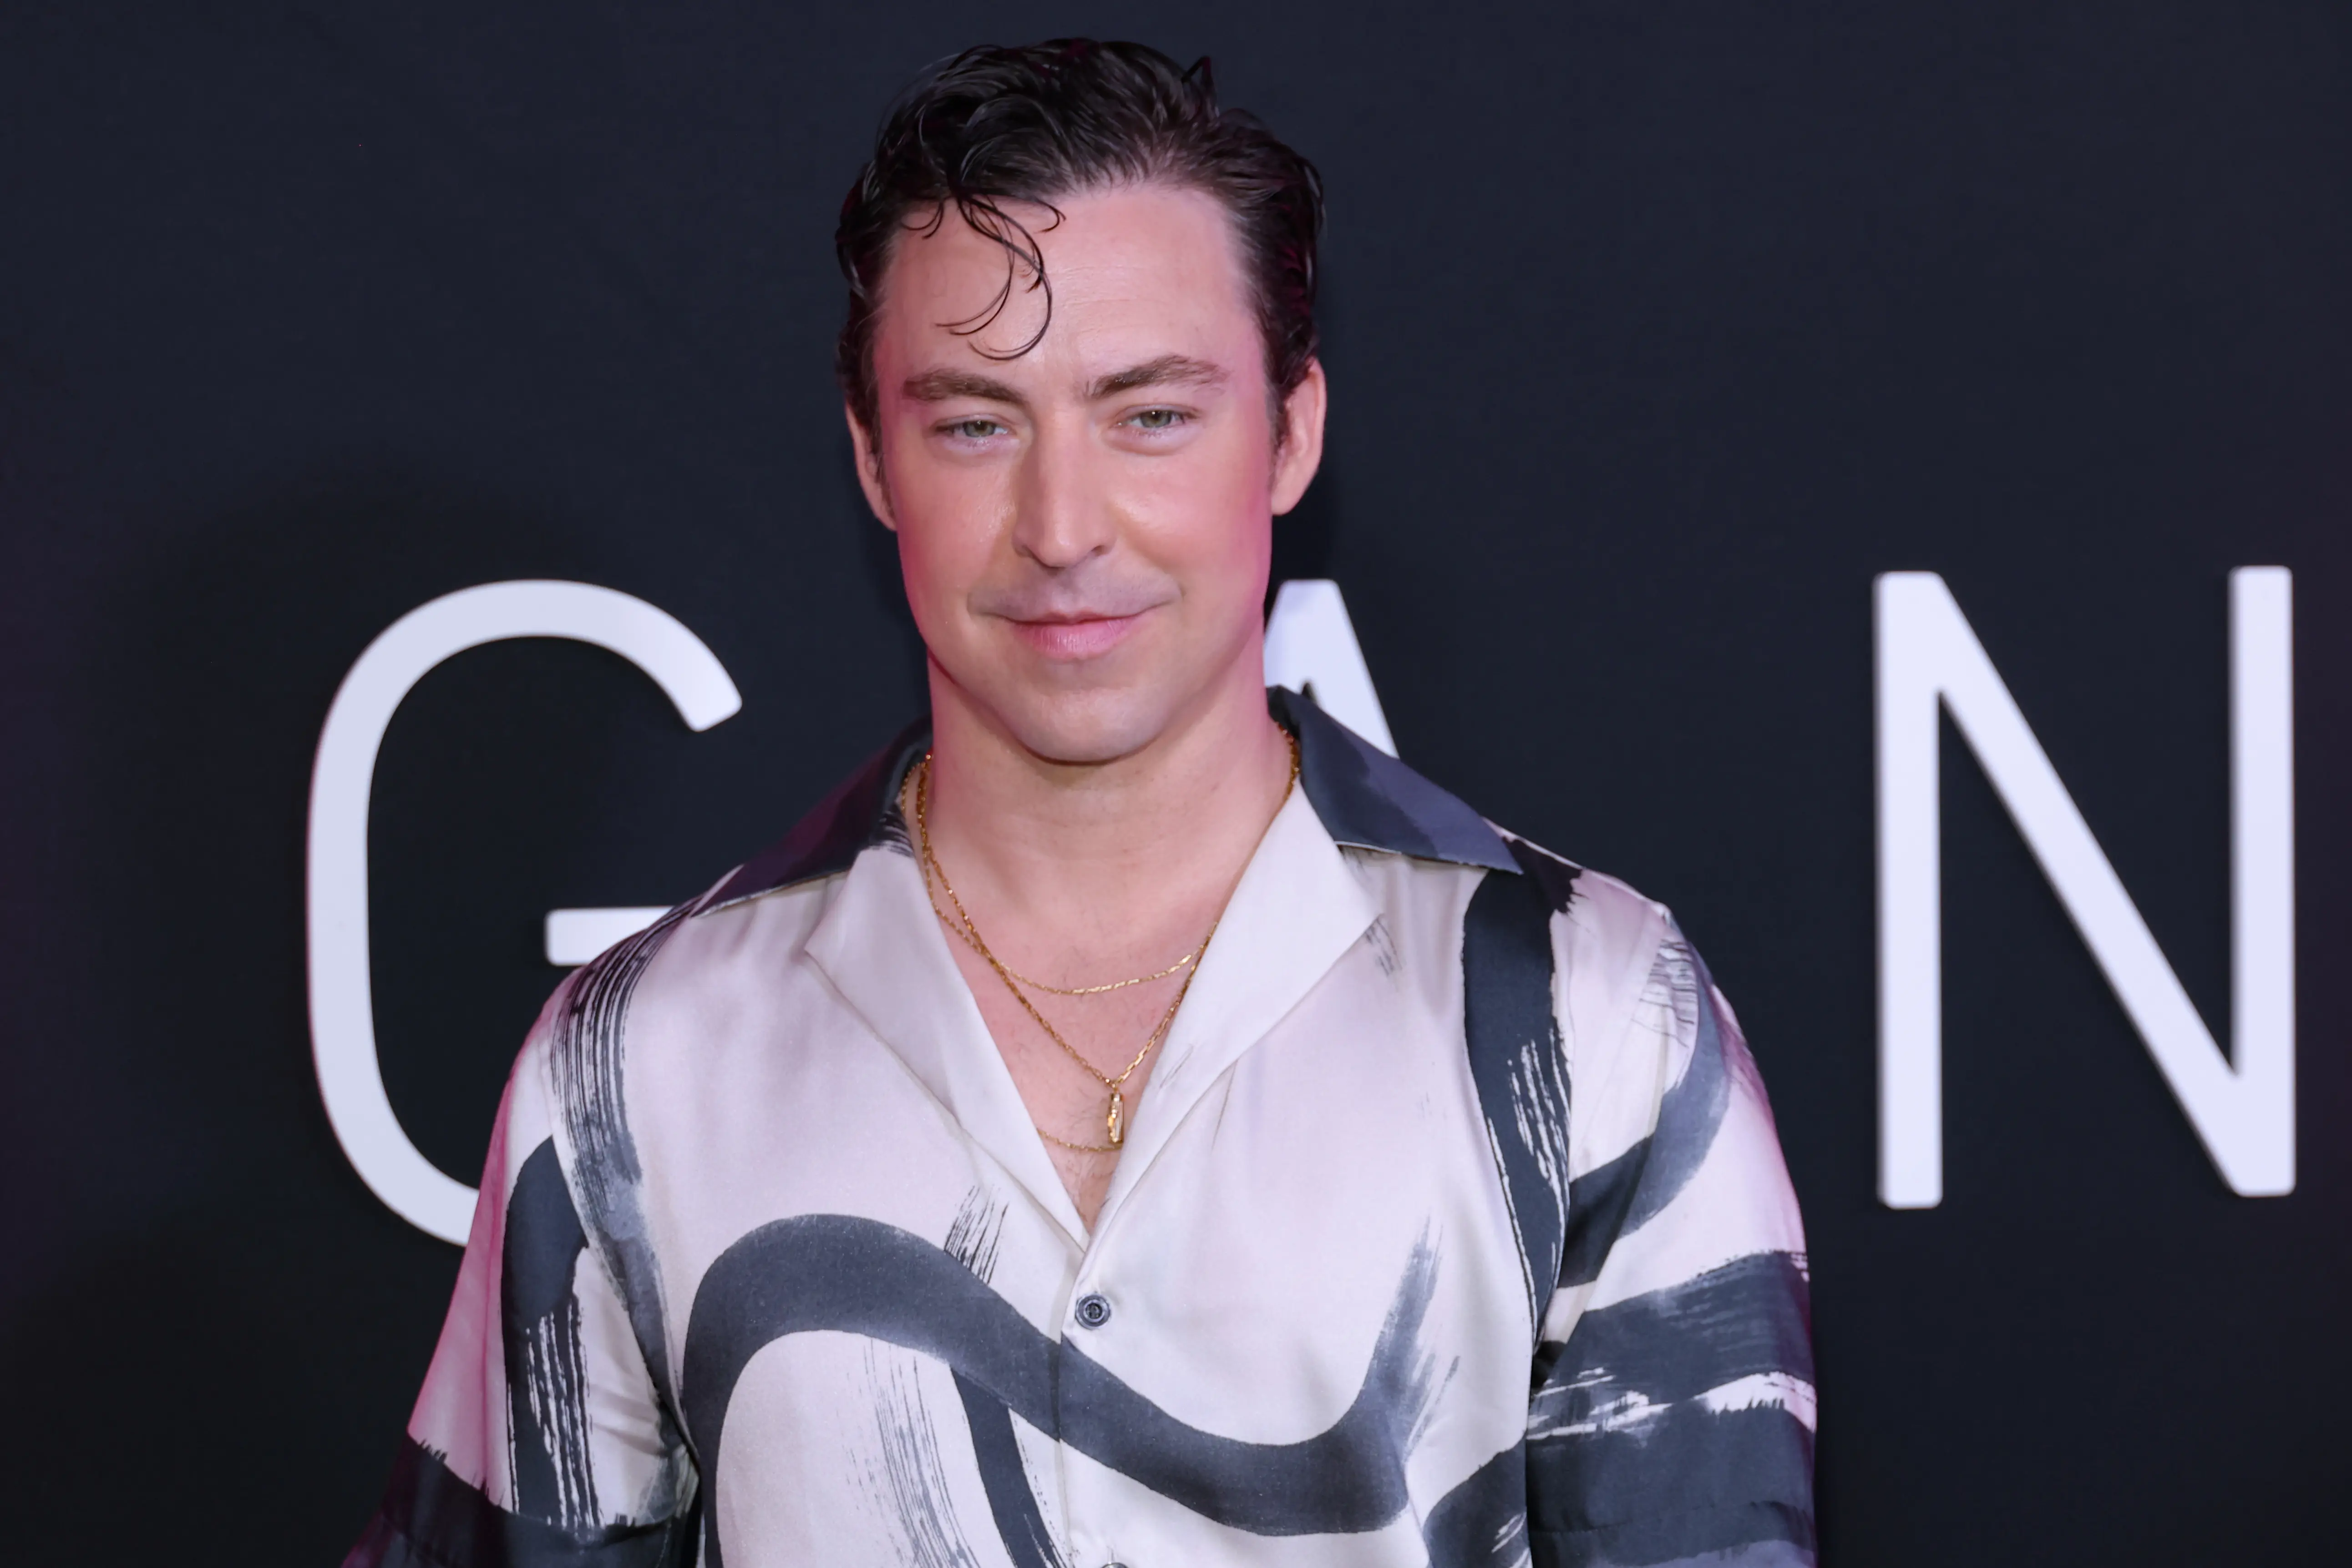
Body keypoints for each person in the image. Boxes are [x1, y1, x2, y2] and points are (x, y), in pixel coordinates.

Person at [348, 38, 1815, 1568]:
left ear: (1293, 431)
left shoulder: (1594, 1020)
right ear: (873, 458)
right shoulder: (640, 1064)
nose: (1061, 528)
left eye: (1151, 415)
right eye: (977, 423)